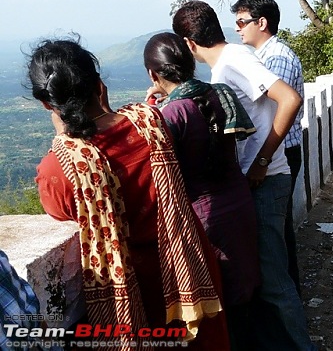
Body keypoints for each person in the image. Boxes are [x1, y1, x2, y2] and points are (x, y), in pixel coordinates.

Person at [30, 37, 228, 350]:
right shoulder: (151, 122)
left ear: (46, 103)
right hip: (188, 266)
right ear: (99, 85)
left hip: (135, 290)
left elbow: (61, 210)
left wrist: (62, 140)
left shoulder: (60, 167)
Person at [171, 0, 313, 350]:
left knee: (275, 283)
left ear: (189, 44)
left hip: (266, 180)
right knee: (265, 280)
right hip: (257, 182)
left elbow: (289, 99)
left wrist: (263, 160)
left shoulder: (233, 61)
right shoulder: (229, 62)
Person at [143, 32, 260, 350]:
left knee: (218, 302)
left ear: (153, 73)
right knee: (244, 294)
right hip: (239, 205)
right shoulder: (220, 94)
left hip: (203, 218)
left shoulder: (169, 115)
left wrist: (152, 109)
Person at [231, 0, 305, 295]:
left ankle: (289, 300)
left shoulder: (277, 59)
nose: (237, 29)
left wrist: (262, 161)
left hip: (279, 151)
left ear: (261, 22)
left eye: (242, 22)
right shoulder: (261, 57)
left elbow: (277, 109)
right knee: (278, 231)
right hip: (276, 151)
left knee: (277, 234)